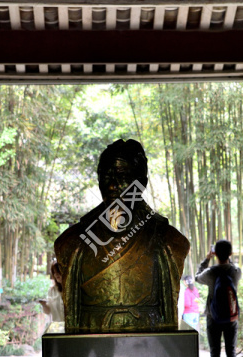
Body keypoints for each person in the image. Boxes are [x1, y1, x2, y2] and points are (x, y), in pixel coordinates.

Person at [53, 139, 190, 333]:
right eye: (106, 177)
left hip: (148, 339)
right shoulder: (73, 241)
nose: (111, 186)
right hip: (91, 338)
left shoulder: (167, 240)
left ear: (141, 183)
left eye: (121, 176)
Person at [196, 239, 242, 357]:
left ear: (215, 253)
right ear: (230, 253)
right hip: (231, 317)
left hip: (212, 317)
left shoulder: (210, 272)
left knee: (214, 352)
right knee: (231, 351)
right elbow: (232, 266)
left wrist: (207, 259)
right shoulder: (236, 271)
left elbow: (196, 277)